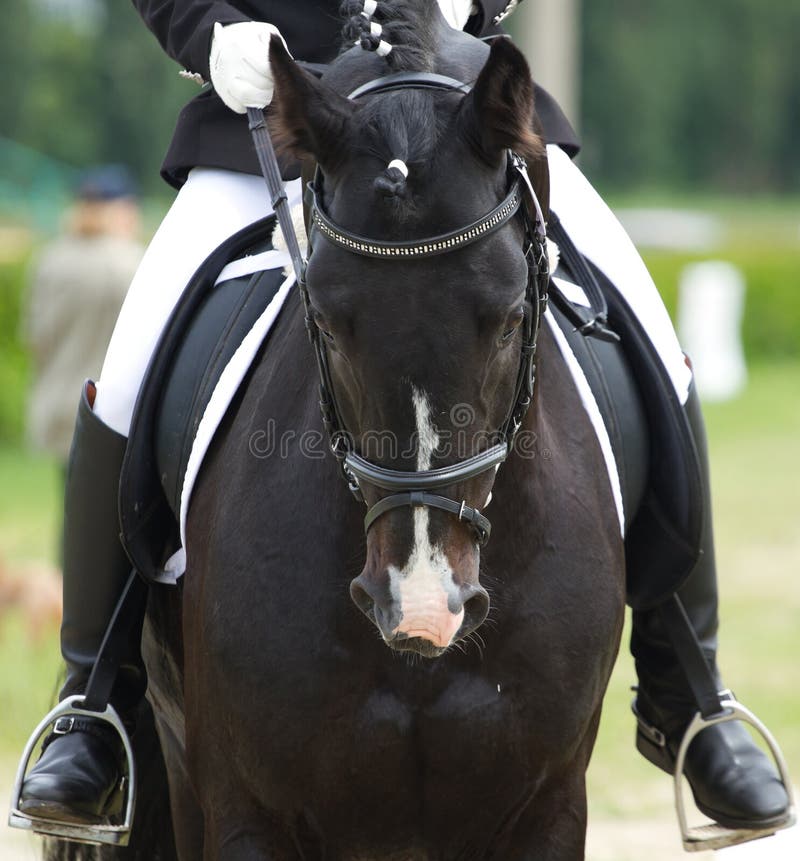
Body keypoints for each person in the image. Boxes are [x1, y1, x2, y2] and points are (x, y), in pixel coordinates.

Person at [17, 0, 790, 840]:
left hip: (457, 113)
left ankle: (691, 694)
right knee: (128, 372)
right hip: (278, 119)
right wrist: (212, 36)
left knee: (656, 345)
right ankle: (95, 707)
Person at [25, 166, 144, 474]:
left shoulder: (50, 260)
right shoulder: (132, 262)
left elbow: (34, 337)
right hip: (117, 414)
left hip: (61, 409)